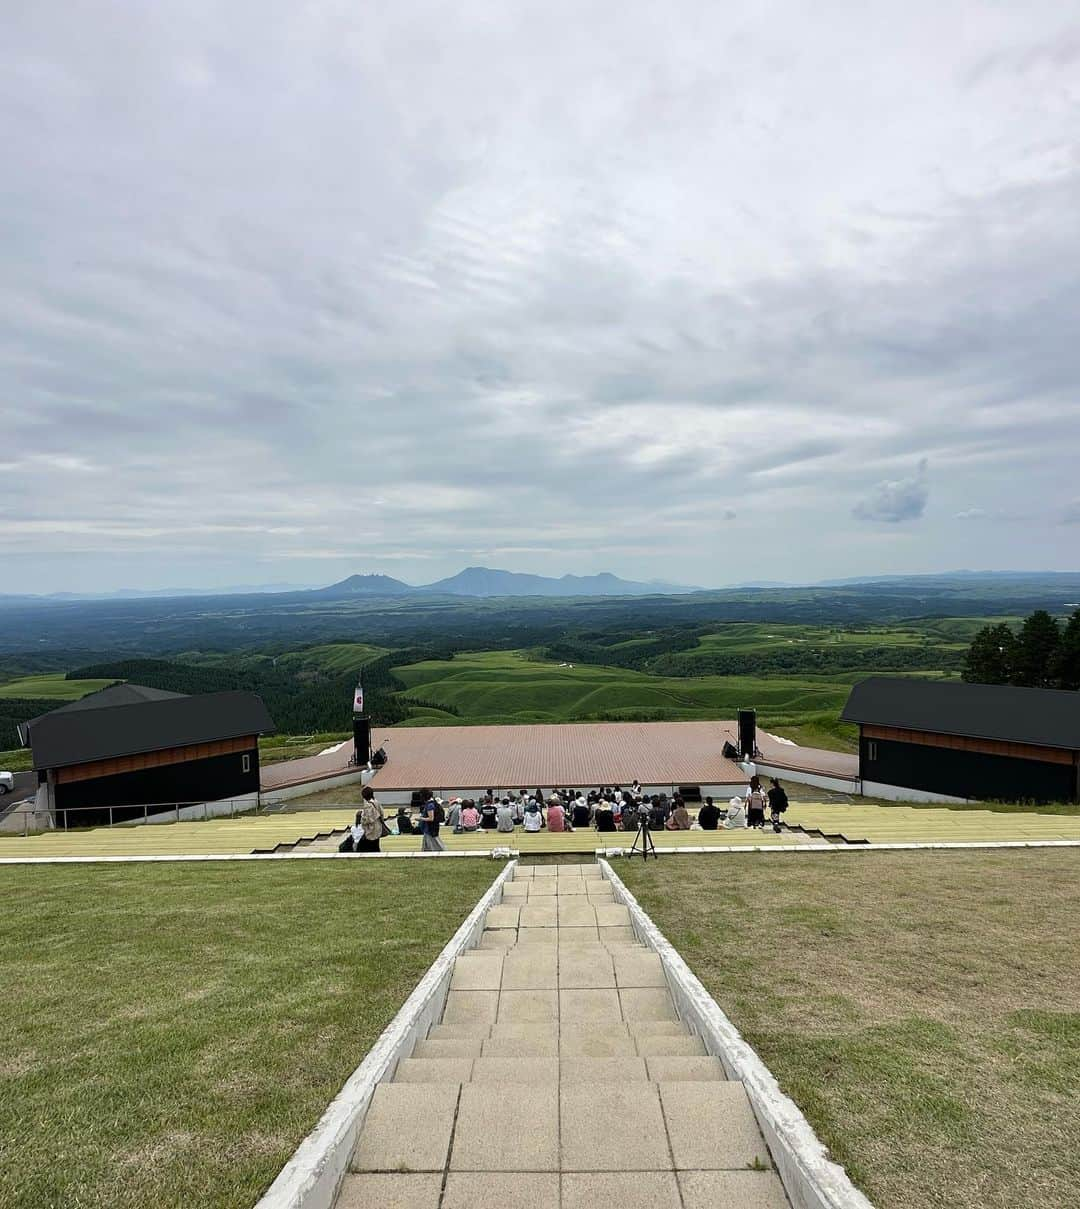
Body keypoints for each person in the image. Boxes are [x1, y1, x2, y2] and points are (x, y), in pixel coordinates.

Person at [353, 785, 384, 853]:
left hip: (371, 830)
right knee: (376, 845)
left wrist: (362, 820)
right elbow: (382, 813)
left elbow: (369, 819)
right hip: (378, 827)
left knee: (370, 848)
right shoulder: (376, 802)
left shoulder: (368, 805)